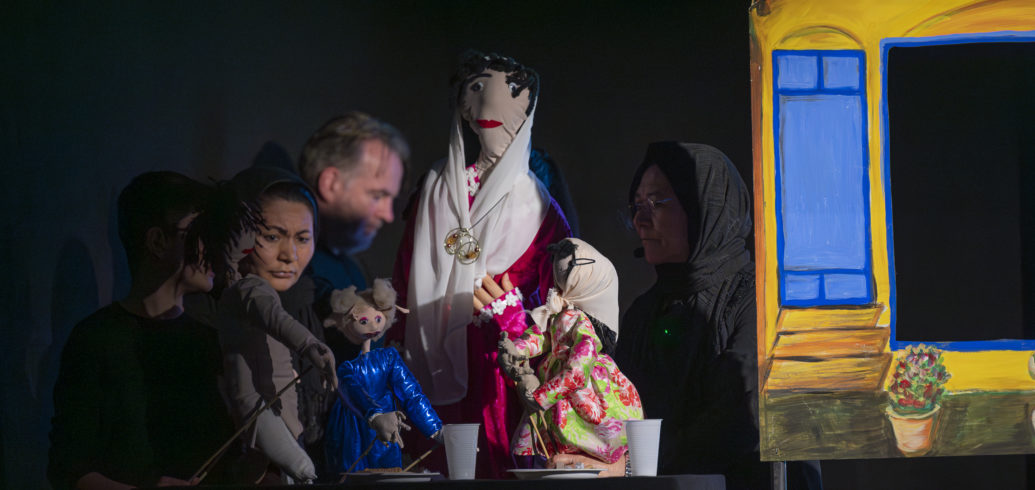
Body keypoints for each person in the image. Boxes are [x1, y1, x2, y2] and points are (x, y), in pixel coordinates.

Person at [391, 51, 572, 478]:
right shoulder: (435, 189)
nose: (489, 108)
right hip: (429, 351)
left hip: (500, 372)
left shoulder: (538, 207)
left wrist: (514, 319)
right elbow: (405, 276)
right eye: (475, 90)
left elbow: (563, 302)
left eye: (510, 93)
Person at [613, 142, 821, 489]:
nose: (640, 220)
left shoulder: (762, 300)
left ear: (705, 207)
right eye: (637, 206)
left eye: (657, 203)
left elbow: (740, 417)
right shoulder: (644, 313)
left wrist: (634, 463)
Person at [48, 171, 233, 489]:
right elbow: (69, 466)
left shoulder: (209, 341)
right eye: (200, 233)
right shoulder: (97, 339)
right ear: (158, 241)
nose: (213, 248)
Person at [203, 165, 337, 484]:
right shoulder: (208, 313)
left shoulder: (318, 306)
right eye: (272, 236)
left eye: (303, 238)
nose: (289, 255)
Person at [492, 238, 643, 477]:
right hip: (556, 384)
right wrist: (517, 349)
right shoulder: (560, 315)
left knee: (584, 430)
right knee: (549, 437)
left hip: (574, 387)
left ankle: (588, 462)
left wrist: (542, 396)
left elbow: (578, 370)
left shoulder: (583, 324)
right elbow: (542, 337)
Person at [322, 279, 442, 473]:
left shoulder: (388, 358)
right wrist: (375, 415)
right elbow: (354, 392)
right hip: (355, 424)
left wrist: (434, 428)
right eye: (363, 321)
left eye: (378, 319)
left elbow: (410, 392)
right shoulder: (347, 368)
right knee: (354, 470)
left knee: (387, 468)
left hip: (387, 420)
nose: (372, 325)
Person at [296, 112, 408, 294]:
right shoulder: (290, 269)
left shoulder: (351, 268)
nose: (388, 216)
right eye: (377, 196)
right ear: (330, 183)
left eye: (391, 199)